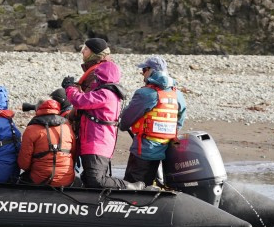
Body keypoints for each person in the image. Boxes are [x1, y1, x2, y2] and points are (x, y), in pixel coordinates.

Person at [66, 37, 137, 189]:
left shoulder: (105, 93)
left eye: (85, 49)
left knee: (96, 180)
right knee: (90, 177)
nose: (94, 79)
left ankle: (132, 187)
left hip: (97, 140)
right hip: (93, 139)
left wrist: (69, 88)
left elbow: (80, 101)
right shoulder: (104, 91)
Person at [119, 56, 187, 187]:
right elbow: (180, 119)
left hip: (143, 151)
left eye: (144, 69)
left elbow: (125, 121)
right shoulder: (177, 94)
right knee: (152, 184)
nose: (142, 73)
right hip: (166, 150)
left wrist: (122, 124)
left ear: (151, 70)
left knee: (133, 187)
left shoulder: (145, 93)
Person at [18, 98, 75, 187]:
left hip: (39, 179)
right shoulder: (67, 127)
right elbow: (74, 154)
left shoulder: (31, 129)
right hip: (65, 180)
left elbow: (23, 164)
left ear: (38, 109)